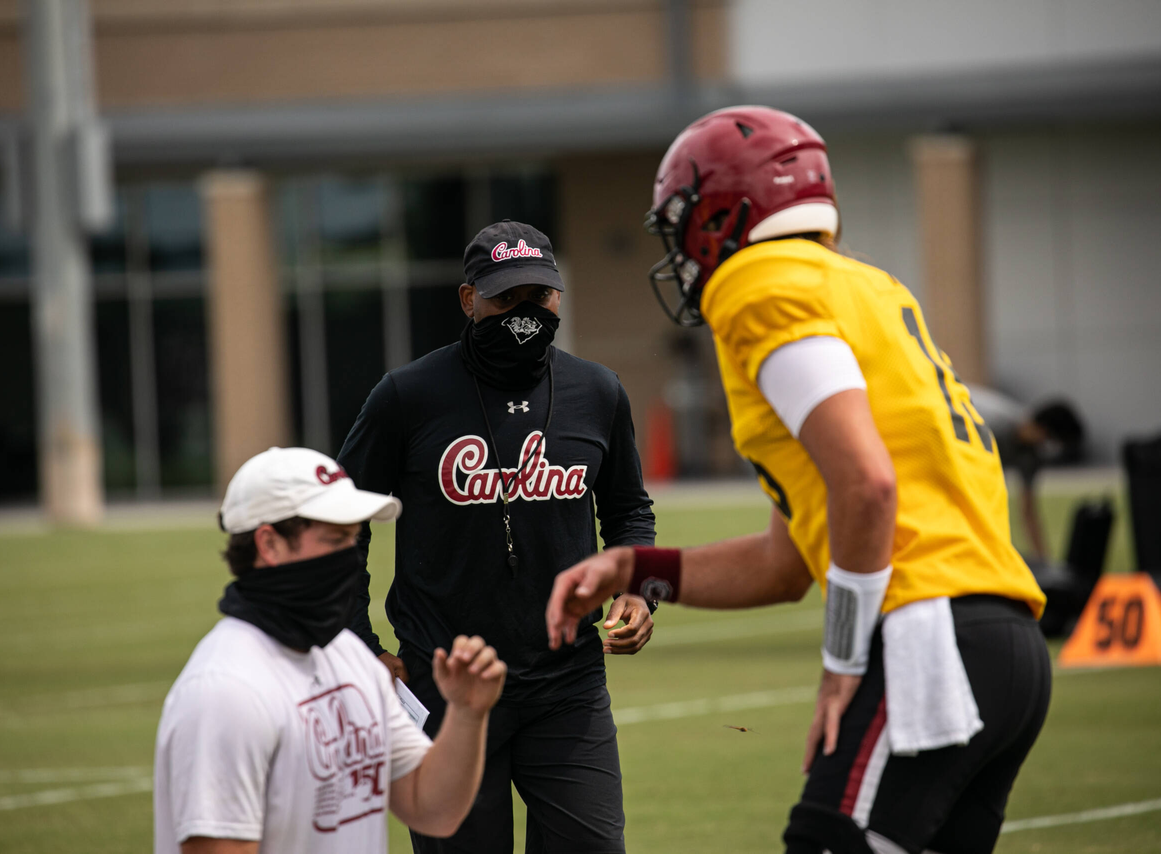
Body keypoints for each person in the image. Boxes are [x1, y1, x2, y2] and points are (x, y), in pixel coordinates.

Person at [546, 107, 1051, 854]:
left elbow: (867, 485)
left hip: (925, 637)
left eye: (682, 224)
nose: (680, 251)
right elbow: (786, 564)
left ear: (723, 212)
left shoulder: (756, 282)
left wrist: (842, 660)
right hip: (1006, 646)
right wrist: (634, 568)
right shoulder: (867, 288)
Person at [338, 220, 657, 854]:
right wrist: (358, 644)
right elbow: (341, 523)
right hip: (449, 686)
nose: (524, 314)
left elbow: (630, 511)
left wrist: (645, 589)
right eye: (505, 299)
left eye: (538, 298)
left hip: (568, 683)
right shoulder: (408, 395)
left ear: (559, 298)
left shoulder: (598, 392)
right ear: (469, 301)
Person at [153, 447, 507, 854]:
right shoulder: (225, 689)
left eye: (353, 540)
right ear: (270, 544)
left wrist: (467, 713)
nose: (350, 559)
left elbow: (434, 809)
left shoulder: (349, 658)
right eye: (335, 540)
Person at [968, 386, 1086, 564]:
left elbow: (1029, 511)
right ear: (1040, 428)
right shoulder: (990, 426)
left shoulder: (1032, 454)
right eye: (1049, 439)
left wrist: (1044, 563)